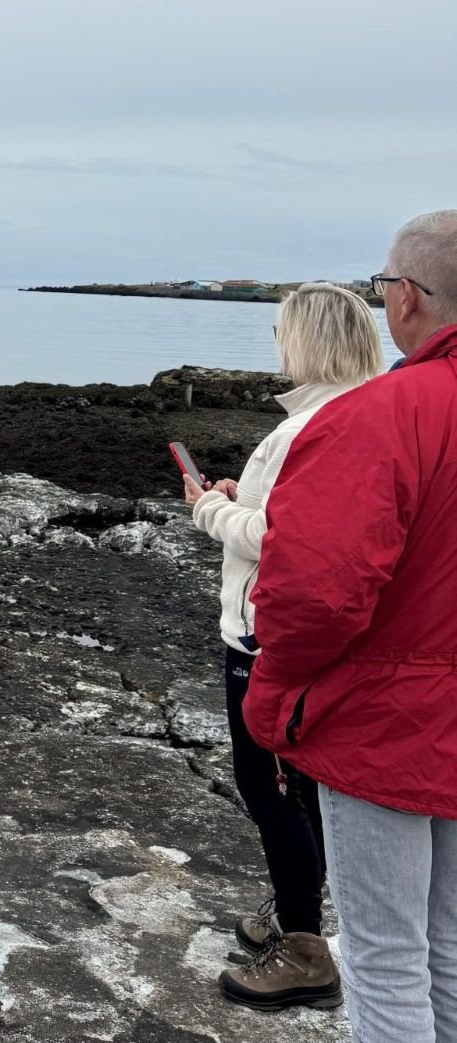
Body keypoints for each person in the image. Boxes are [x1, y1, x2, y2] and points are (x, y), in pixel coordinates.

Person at [243, 210, 457, 1042]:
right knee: (446, 946)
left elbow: (315, 592)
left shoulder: (384, 414)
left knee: (385, 957)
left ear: (404, 298)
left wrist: (274, 702)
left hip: (385, 724)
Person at [184, 283, 383, 1011]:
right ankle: (294, 907)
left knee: (271, 789)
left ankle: (303, 944)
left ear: (306, 340)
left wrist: (210, 508)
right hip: (324, 638)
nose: (276, 343)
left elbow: (281, 539)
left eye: (281, 331)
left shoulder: (309, 427)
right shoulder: (365, 413)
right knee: (301, 785)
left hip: (266, 637)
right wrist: (247, 501)